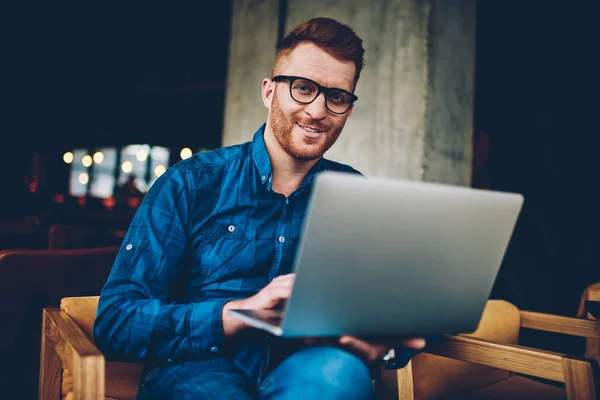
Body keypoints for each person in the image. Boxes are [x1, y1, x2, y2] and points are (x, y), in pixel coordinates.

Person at [94, 17, 430, 400]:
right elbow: (116, 320)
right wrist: (237, 313)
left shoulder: (355, 195)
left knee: (342, 375)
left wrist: (383, 342)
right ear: (269, 92)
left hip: (307, 368)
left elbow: (393, 312)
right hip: (195, 367)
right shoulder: (189, 182)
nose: (318, 110)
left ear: (348, 111)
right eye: (303, 88)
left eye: (336, 96)